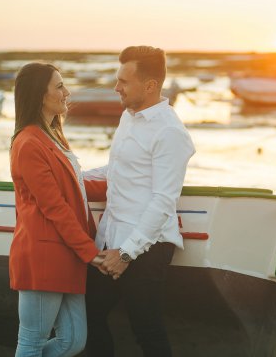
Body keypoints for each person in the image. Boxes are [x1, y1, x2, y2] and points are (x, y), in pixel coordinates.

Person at [84, 46, 195, 356]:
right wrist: (73, 176)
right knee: (88, 315)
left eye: (123, 81)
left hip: (148, 248)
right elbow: (118, 168)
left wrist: (127, 253)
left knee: (146, 329)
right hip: (111, 239)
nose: (116, 87)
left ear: (150, 85)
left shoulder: (170, 132)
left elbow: (163, 201)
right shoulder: (128, 117)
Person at [9, 62, 107, 357]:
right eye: (60, 86)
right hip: (44, 255)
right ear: (41, 95)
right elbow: (55, 206)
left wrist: (129, 184)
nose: (67, 92)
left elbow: (75, 186)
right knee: (31, 344)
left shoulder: (53, 136)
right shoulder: (27, 143)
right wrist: (90, 252)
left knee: (73, 341)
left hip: (67, 256)